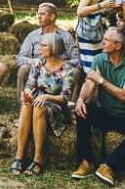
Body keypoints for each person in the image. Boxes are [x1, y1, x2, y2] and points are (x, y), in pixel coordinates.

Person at [71, 27, 125, 186]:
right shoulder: (99, 59)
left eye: (106, 40)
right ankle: (86, 162)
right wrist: (80, 99)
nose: (102, 42)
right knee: (82, 112)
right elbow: (90, 83)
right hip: (106, 112)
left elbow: (124, 96)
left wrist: (101, 81)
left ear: (118, 46)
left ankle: (108, 166)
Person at [11, 32, 76, 176]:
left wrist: (47, 97)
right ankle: (19, 156)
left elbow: (65, 98)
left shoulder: (67, 69)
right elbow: (29, 84)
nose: (39, 48)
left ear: (53, 48)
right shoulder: (38, 63)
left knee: (38, 106)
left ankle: (38, 159)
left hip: (58, 108)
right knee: (28, 104)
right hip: (37, 103)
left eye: (43, 45)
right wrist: (27, 92)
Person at [17, 3, 80, 98]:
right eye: (38, 14)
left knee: (76, 72)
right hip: (37, 68)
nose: (39, 16)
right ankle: (24, 103)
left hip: (59, 69)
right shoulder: (32, 36)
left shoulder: (66, 36)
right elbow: (20, 58)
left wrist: (61, 65)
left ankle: (72, 108)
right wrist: (36, 62)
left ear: (52, 16)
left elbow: (77, 60)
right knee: (23, 69)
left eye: (43, 14)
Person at [75, 0, 120, 70]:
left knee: (99, 68)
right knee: (91, 71)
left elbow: (97, 11)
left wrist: (110, 8)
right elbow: (80, 11)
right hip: (88, 36)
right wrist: (102, 5)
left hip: (98, 33)